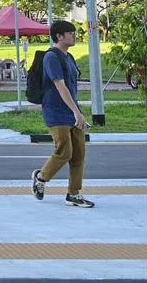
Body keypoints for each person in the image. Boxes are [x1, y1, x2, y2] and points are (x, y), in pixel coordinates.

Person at [31, 19, 94, 208]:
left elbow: (72, 87)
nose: (74, 35)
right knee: (64, 151)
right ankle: (41, 178)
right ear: (59, 36)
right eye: (71, 32)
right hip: (56, 111)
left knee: (79, 154)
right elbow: (60, 86)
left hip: (73, 111)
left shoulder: (69, 57)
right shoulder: (52, 57)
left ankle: (73, 194)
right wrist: (76, 112)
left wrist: (77, 111)